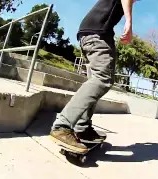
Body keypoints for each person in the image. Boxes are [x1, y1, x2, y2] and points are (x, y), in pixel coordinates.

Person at [50, 0, 138, 153]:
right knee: (103, 78)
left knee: (95, 80)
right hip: (98, 34)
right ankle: (62, 126)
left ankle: (82, 127)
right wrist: (129, 22)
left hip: (88, 32)